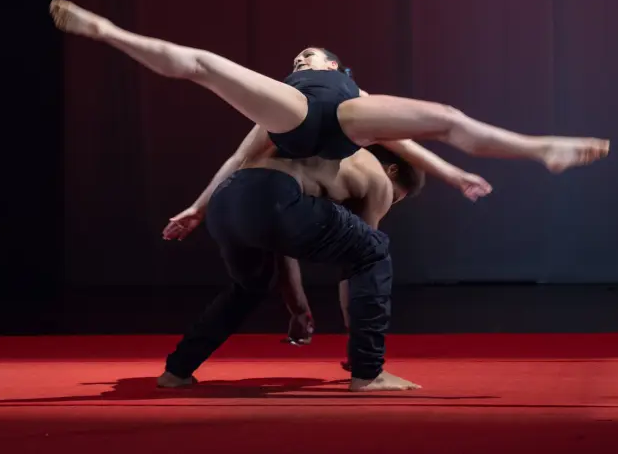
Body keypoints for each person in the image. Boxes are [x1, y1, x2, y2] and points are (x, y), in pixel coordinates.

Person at [49, 0, 610, 174]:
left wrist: (452, 172)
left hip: (342, 123)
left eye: (309, 55)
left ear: (339, 65)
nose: (301, 56)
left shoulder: (355, 92)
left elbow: (405, 140)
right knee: (203, 64)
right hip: (297, 119)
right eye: (297, 56)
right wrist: (199, 206)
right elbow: (240, 154)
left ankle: (542, 149)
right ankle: (106, 31)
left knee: (444, 114)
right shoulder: (288, 88)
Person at [158, 141, 427, 392]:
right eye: (395, 198)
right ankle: (370, 374)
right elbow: (358, 266)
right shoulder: (377, 178)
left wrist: (298, 309)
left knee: (249, 287)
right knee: (374, 251)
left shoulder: (326, 161)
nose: (387, 204)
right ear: (391, 170)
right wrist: (358, 352)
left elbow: (279, 241)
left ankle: (177, 370)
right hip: (273, 197)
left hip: (226, 200)